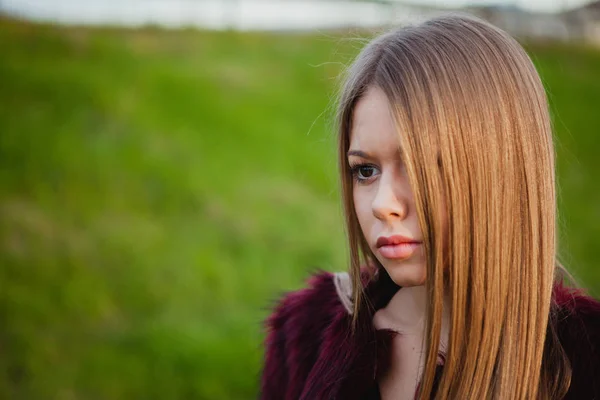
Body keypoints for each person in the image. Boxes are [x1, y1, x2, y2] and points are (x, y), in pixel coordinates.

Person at [259, 13, 600, 400]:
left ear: (502, 169)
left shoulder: (586, 356)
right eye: (365, 170)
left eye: (421, 167)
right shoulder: (307, 334)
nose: (383, 204)